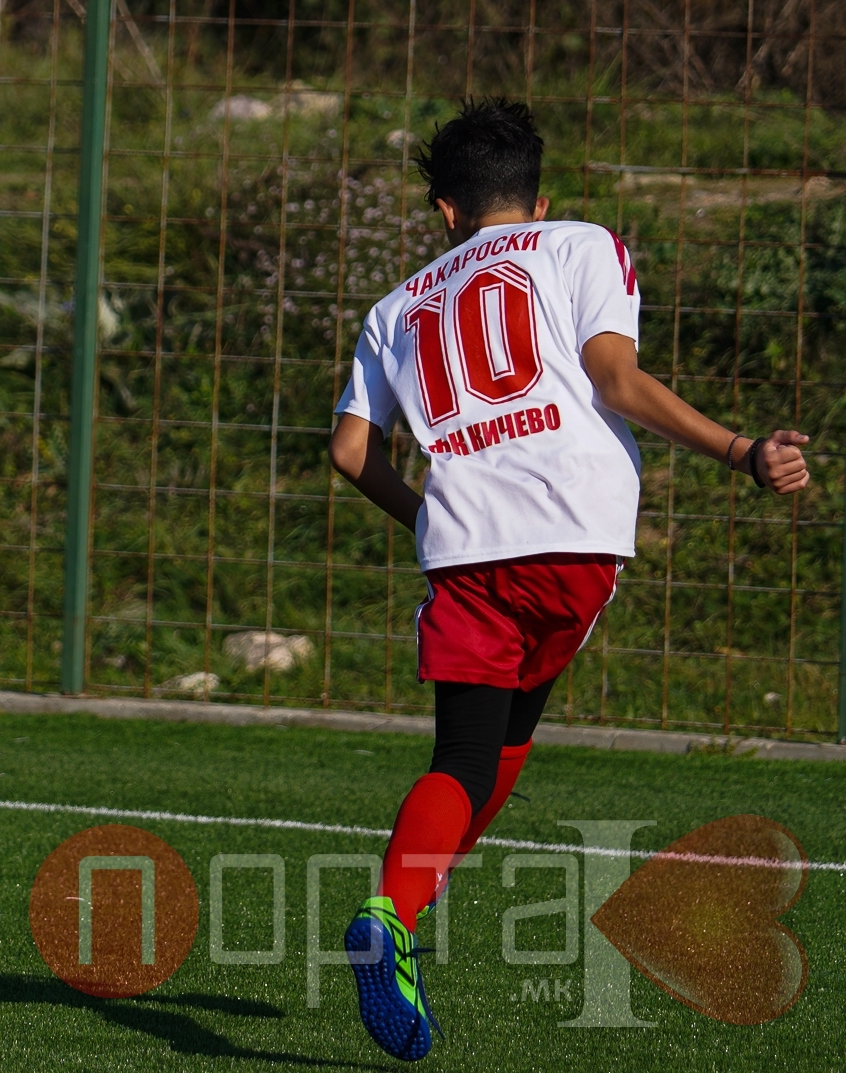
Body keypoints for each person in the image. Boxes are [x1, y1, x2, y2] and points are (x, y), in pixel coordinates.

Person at [328, 98, 809, 1061]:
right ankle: (416, 897)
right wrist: (741, 449)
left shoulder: (393, 309)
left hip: (467, 548)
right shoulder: (580, 244)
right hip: (573, 540)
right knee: (507, 739)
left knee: (464, 756)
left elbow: (349, 451)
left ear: (445, 210)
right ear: (538, 200)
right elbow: (615, 380)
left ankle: (397, 904)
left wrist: (426, 515)